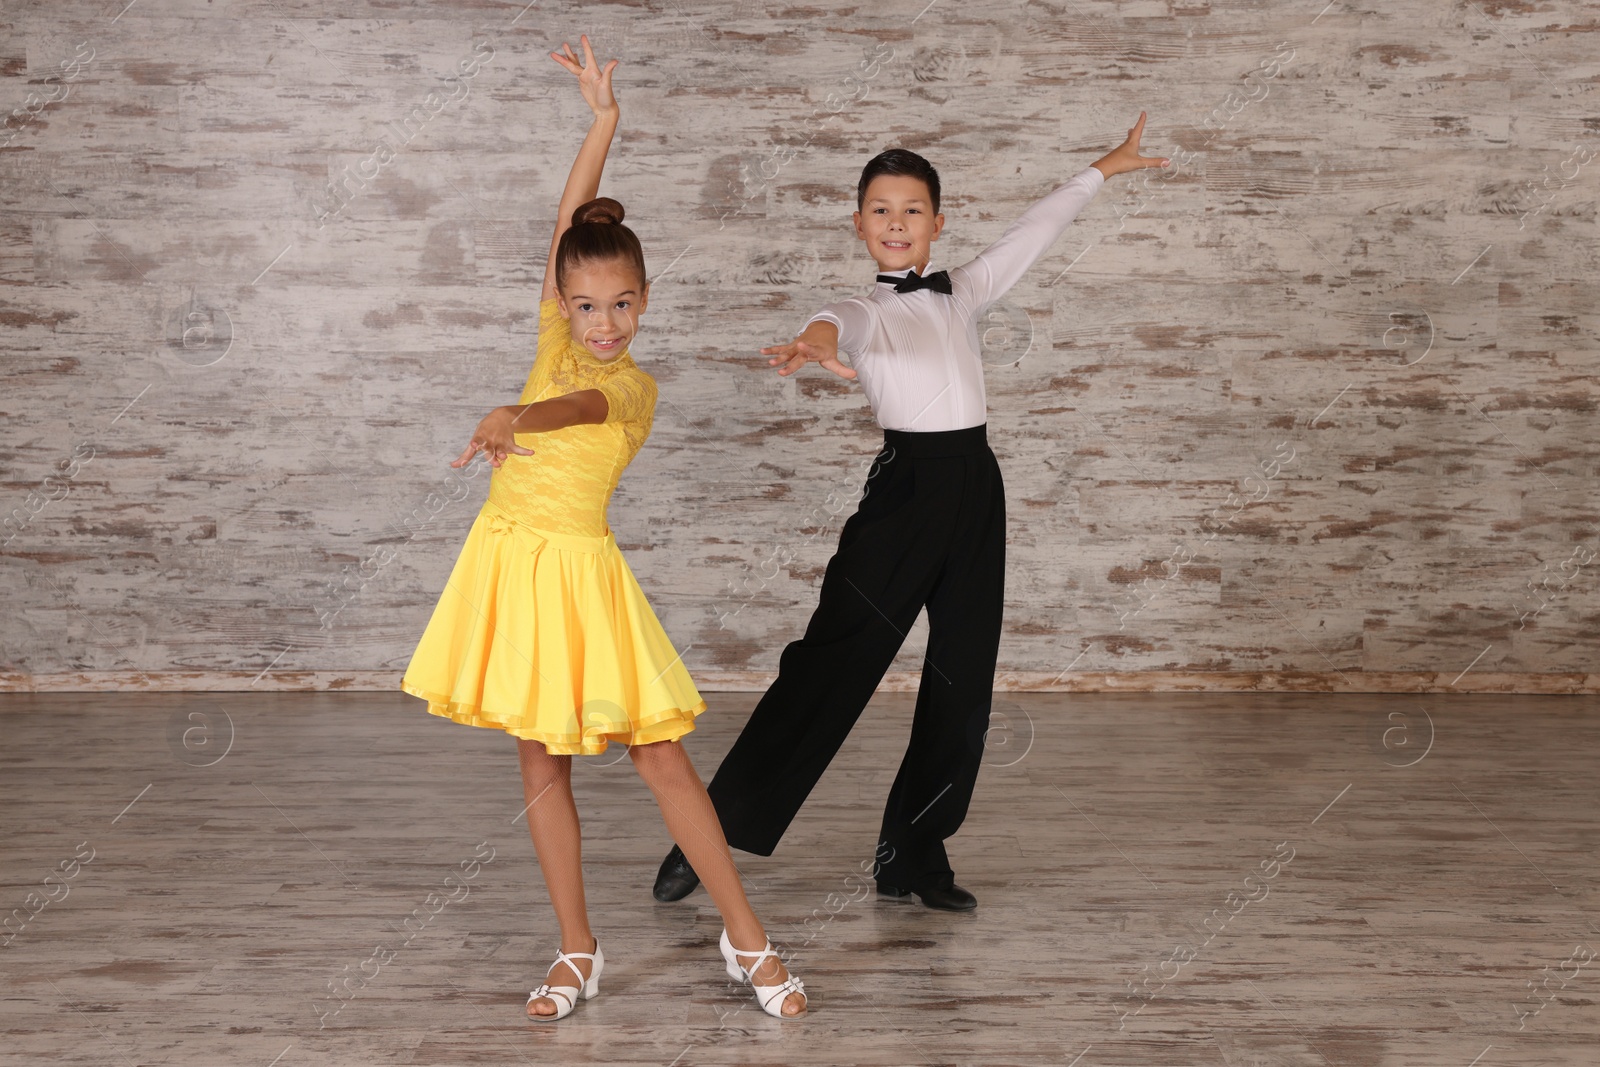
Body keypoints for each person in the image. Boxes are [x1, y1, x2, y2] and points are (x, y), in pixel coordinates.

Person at [653, 115, 1170, 911]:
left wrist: (1103, 168)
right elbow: (836, 324)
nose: (897, 224)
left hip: (976, 488)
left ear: (938, 220)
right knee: (831, 662)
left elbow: (1034, 229)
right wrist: (810, 342)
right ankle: (711, 830)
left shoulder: (964, 290)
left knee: (963, 678)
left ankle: (913, 857)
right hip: (904, 495)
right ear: (859, 223)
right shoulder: (862, 307)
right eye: (882, 210)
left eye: (913, 210)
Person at [401, 35, 805, 1020]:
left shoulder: (629, 388)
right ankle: (575, 948)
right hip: (510, 565)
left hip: (582, 578)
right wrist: (603, 122)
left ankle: (745, 936)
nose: (603, 321)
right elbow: (564, 221)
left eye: (621, 302)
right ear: (564, 301)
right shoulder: (555, 326)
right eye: (586, 304)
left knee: (659, 755)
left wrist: (512, 415)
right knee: (540, 760)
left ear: (643, 300)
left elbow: (573, 414)